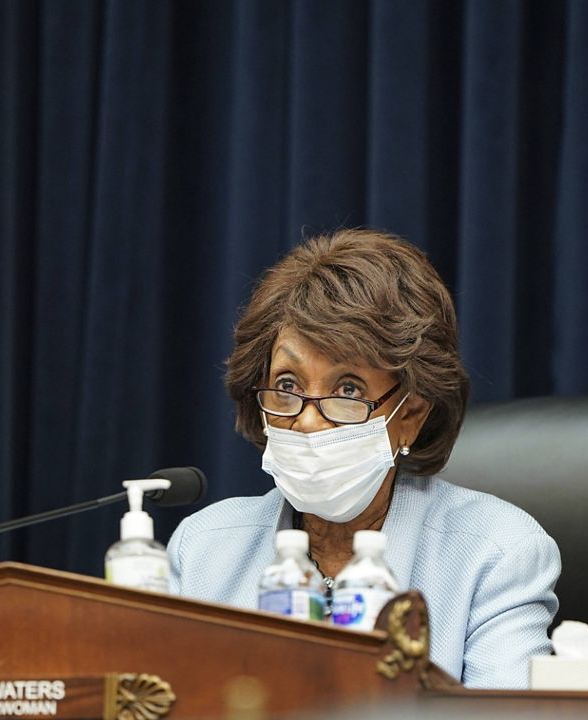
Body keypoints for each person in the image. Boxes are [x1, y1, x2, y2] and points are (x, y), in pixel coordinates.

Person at [167, 229, 559, 689]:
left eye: (348, 389)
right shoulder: (204, 550)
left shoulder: (494, 553)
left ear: (409, 414)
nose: (309, 422)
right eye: (289, 385)